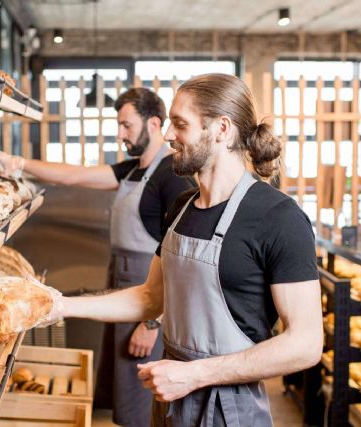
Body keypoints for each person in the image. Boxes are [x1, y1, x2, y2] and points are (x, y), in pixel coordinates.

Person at [40, 73, 323, 426]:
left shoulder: (278, 218)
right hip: (172, 399)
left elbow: (306, 343)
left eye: (180, 124)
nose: (169, 135)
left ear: (222, 128)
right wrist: (59, 305)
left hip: (229, 409)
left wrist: (196, 375)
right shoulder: (182, 207)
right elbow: (149, 297)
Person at [0, 87, 194, 426]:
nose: (121, 134)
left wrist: (152, 322)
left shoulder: (171, 175)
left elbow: (181, 260)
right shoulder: (131, 170)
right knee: (123, 386)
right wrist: (19, 164)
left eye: (127, 125)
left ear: (154, 124)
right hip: (122, 287)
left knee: (142, 393)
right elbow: (76, 175)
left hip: (148, 296)